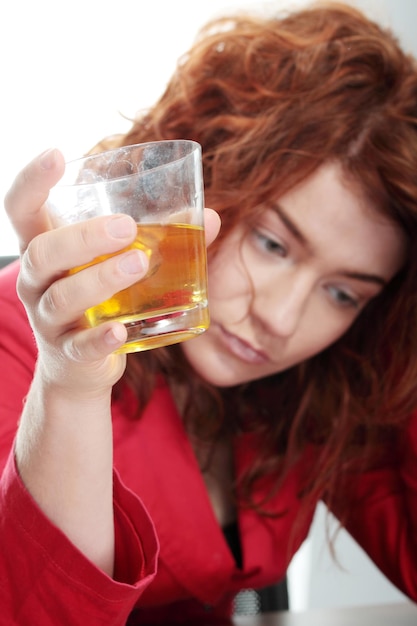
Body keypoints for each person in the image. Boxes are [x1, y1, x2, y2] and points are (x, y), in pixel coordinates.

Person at [1, 1, 417, 624]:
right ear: (194, 187)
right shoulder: (27, 336)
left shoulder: (328, 386)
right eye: (273, 244)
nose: (280, 317)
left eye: (344, 292)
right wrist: (70, 389)